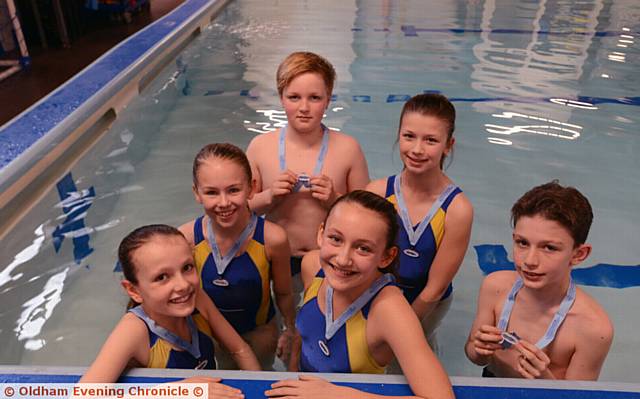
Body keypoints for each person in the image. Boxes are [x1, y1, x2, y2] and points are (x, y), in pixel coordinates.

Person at [265, 191, 454, 399]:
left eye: (363, 248)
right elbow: (306, 335)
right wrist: (294, 374)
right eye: (336, 239)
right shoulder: (312, 266)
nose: (343, 259)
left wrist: (336, 396)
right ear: (321, 234)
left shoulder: (389, 311)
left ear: (386, 256)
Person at [81, 224, 260, 396]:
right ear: (133, 290)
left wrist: (260, 387)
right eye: (162, 277)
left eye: (187, 267)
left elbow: (239, 349)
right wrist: (176, 392)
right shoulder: (133, 330)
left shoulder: (197, 298)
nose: (183, 285)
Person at [465, 181, 614, 380]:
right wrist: (478, 350)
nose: (530, 261)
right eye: (522, 243)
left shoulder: (593, 329)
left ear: (579, 254)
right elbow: (475, 356)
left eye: (549, 248)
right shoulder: (495, 287)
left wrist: (545, 381)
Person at [246, 51, 370, 285]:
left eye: (314, 98)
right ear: (281, 98)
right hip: (275, 258)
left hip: (330, 262)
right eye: (294, 97)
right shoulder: (260, 147)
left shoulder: (348, 149)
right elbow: (240, 210)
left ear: (328, 99)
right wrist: (269, 196)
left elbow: (367, 217)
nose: (304, 107)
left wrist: (334, 199)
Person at [366, 93, 473, 362]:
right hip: (381, 293)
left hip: (428, 300)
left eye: (431, 140)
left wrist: (402, 331)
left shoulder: (457, 210)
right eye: (409, 136)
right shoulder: (377, 192)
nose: (416, 149)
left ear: (449, 145)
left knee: (409, 358)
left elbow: (435, 288)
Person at [179, 143, 297, 370]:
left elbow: (283, 293)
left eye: (233, 190)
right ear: (197, 193)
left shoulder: (273, 239)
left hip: (260, 334)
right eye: (211, 192)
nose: (224, 203)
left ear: (252, 188)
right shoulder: (185, 239)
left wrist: (290, 330)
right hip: (208, 337)